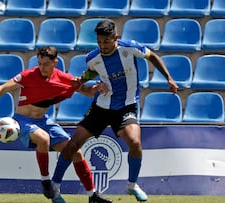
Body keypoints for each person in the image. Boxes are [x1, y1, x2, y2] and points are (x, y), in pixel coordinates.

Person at [0, 46, 112, 203]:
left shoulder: (64, 79)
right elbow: (4, 88)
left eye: (46, 64)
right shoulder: (28, 75)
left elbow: (87, 91)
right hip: (22, 120)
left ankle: (92, 195)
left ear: (55, 62)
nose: (42, 67)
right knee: (43, 138)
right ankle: (46, 182)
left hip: (43, 121)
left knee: (76, 153)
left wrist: (99, 87)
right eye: (39, 63)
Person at [60, 19, 179, 202]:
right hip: (101, 107)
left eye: (106, 41)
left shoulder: (129, 48)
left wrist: (169, 78)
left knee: (135, 143)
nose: (102, 46)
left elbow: (153, 56)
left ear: (116, 37)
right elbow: (92, 71)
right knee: (73, 145)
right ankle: (53, 186)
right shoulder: (93, 57)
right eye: (99, 42)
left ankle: (132, 185)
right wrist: (82, 80)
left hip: (126, 106)